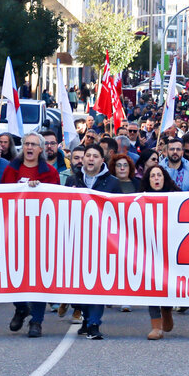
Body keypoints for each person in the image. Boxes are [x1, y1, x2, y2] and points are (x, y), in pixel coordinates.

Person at [2, 132, 61, 338]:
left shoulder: (50, 172)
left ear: (41, 149)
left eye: (33, 144)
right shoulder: (11, 170)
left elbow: (56, 200)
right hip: (14, 231)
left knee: (38, 279)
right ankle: (20, 307)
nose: (29, 147)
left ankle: (36, 321)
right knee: (10, 274)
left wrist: (39, 190)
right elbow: (0, 196)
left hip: (40, 233)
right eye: (26, 143)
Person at [64, 144, 122, 339]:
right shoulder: (73, 180)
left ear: (101, 160)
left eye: (95, 156)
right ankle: (87, 319)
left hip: (102, 241)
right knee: (81, 283)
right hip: (77, 239)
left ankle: (94, 324)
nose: (90, 159)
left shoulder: (112, 183)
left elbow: (120, 209)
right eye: (87, 155)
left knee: (97, 283)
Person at [140, 165, 180, 340]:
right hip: (149, 248)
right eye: (152, 176)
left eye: (159, 175)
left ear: (164, 178)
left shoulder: (177, 196)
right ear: (148, 180)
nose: (156, 178)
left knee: (167, 283)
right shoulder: (139, 198)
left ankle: (167, 309)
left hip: (170, 247)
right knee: (151, 285)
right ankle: (156, 326)